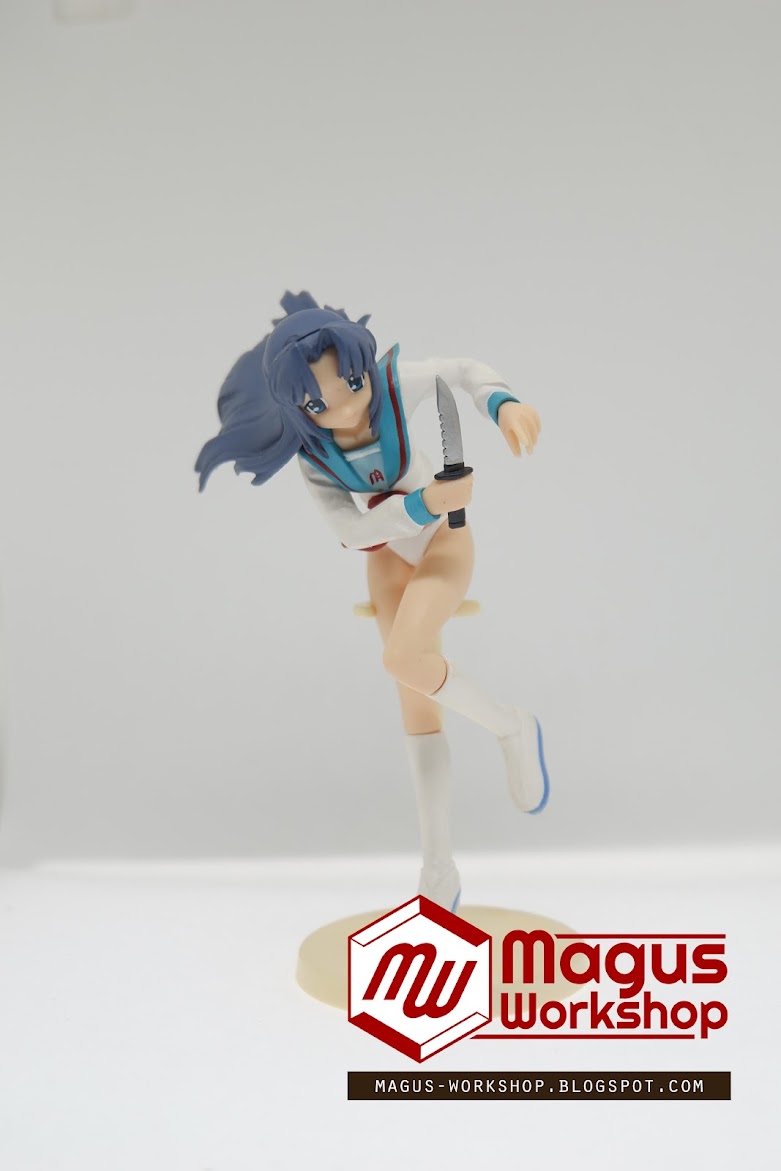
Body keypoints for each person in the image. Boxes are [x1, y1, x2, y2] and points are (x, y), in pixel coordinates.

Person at [197, 292, 549, 912]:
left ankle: (511, 727)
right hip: (386, 555)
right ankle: (438, 868)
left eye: (351, 384)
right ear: (298, 406)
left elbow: (462, 370)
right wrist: (420, 504)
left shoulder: (395, 385)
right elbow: (350, 530)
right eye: (318, 402)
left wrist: (503, 403)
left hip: (444, 541)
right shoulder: (313, 456)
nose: (344, 406)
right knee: (416, 707)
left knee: (402, 658)